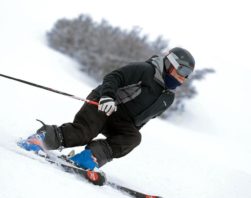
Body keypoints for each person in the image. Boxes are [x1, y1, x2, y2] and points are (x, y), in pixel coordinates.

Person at [18, 47, 195, 170]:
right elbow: (114, 77)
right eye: (182, 70)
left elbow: (143, 119)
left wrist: (127, 132)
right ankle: (41, 138)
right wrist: (107, 97)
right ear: (170, 63)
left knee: (133, 137)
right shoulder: (145, 70)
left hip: (122, 119)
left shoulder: (167, 98)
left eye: (187, 74)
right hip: (103, 104)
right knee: (82, 133)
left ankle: (90, 157)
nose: (183, 77)